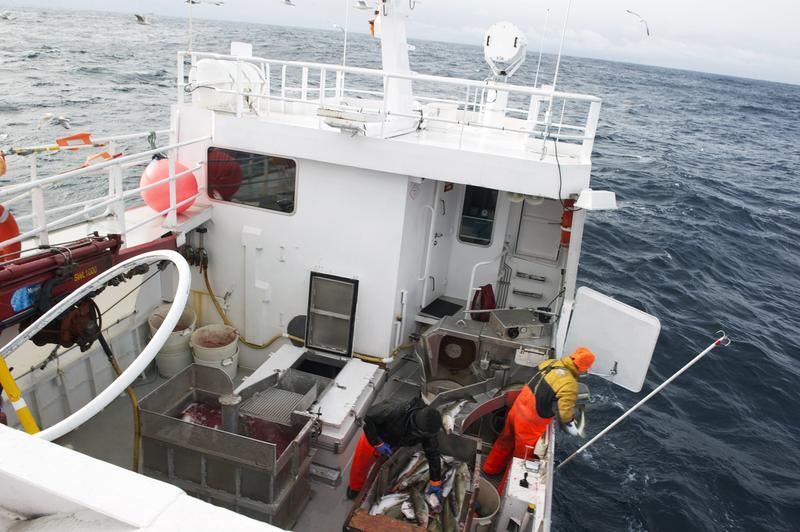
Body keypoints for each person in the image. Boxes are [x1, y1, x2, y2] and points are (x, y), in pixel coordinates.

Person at [483, 347, 596, 493]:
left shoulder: (549, 363)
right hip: (530, 424)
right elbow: (564, 413)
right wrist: (572, 423)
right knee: (521, 460)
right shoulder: (569, 384)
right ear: (583, 368)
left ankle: (489, 469)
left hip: (517, 410)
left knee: (504, 441)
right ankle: (503, 492)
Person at [347, 396, 444, 500]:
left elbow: (433, 453)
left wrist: (435, 480)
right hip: (374, 437)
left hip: (395, 441)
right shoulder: (395, 409)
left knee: (385, 466)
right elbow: (368, 417)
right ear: (415, 426)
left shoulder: (428, 429)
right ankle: (356, 488)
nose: (422, 437)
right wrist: (377, 443)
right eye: (419, 434)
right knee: (360, 465)